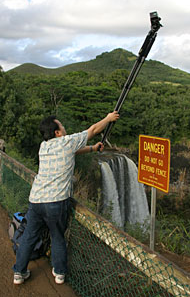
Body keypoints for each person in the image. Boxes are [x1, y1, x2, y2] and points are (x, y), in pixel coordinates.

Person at [12, 111, 119, 285]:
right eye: (62, 125)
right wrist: (108, 118)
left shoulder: (43, 146)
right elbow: (93, 130)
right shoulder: (67, 142)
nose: (64, 127)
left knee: (29, 237)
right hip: (56, 201)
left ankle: (19, 272)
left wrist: (92, 148)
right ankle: (59, 273)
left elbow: (72, 151)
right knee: (57, 236)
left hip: (36, 200)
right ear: (57, 132)